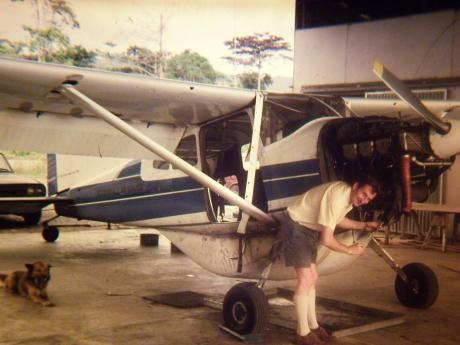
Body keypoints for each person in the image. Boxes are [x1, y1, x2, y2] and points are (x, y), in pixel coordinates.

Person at [279, 175, 380, 345]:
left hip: (308, 229)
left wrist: (364, 225)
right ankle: (302, 334)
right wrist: (349, 250)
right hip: (296, 225)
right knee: (306, 279)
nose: (365, 200)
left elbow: (338, 219)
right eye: (364, 194)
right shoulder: (338, 195)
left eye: (369, 199)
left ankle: (313, 326)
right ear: (356, 185)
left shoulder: (346, 198)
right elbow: (326, 239)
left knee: (313, 277)